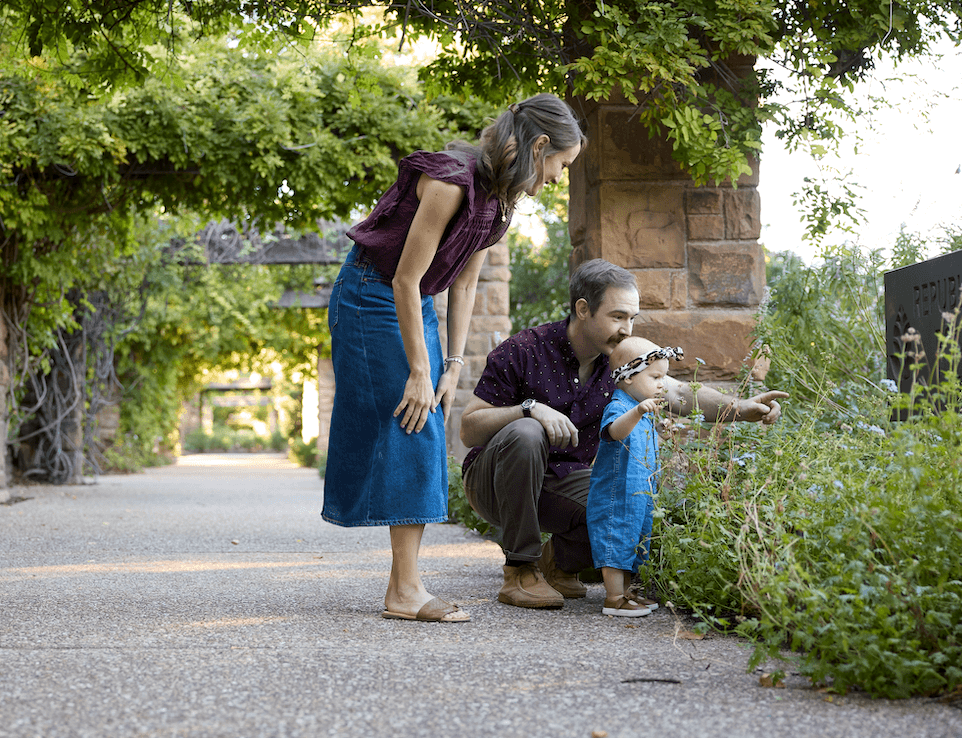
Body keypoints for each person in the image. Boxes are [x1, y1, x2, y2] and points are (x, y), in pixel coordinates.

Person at [322, 94, 586, 623]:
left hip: (411, 301)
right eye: (561, 164)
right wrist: (419, 371)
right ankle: (407, 591)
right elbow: (403, 278)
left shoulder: (501, 203)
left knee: (423, 425)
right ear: (539, 146)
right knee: (413, 424)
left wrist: (452, 365)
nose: (560, 178)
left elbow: (464, 283)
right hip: (371, 295)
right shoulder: (450, 182)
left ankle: (404, 588)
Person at [459, 259, 788, 610]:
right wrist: (529, 408)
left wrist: (742, 409)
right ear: (583, 309)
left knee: (621, 507)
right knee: (527, 431)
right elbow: (469, 428)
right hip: (495, 481)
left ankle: (556, 563)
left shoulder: (622, 363)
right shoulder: (524, 350)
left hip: (562, 481)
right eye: (618, 317)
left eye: (632, 318)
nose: (627, 329)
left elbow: (676, 392)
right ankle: (520, 571)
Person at [588, 337, 682, 617]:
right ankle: (614, 598)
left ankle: (626, 592)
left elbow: (645, 443)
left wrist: (662, 432)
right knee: (616, 538)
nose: (662, 384)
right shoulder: (620, 407)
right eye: (655, 377)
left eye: (664, 377)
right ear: (628, 378)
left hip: (639, 493)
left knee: (635, 540)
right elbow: (614, 432)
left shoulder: (642, 411)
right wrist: (638, 411)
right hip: (616, 494)